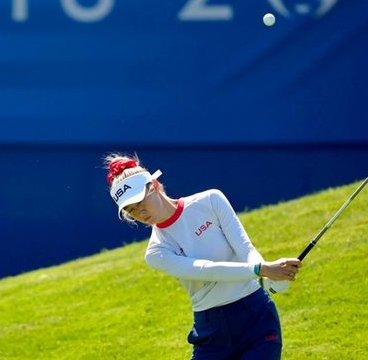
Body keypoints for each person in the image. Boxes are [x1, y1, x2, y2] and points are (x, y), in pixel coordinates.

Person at [104, 154, 301, 360]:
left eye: (140, 201)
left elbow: (245, 248)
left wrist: (266, 273)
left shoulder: (210, 200)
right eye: (130, 210)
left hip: (257, 318)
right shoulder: (155, 252)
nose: (140, 212)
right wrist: (261, 270)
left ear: (153, 184)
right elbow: (206, 269)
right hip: (211, 333)